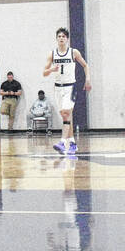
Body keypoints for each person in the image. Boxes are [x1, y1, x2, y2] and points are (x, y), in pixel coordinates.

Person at [43, 27, 91, 155]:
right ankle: (73, 143)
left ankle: (63, 142)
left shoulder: (73, 52)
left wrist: (88, 80)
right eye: (59, 36)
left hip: (71, 87)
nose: (61, 38)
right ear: (56, 39)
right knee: (66, 116)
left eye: (63, 36)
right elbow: (44, 72)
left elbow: (85, 65)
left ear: (67, 39)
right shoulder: (52, 54)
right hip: (58, 87)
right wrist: (51, 70)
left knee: (65, 113)